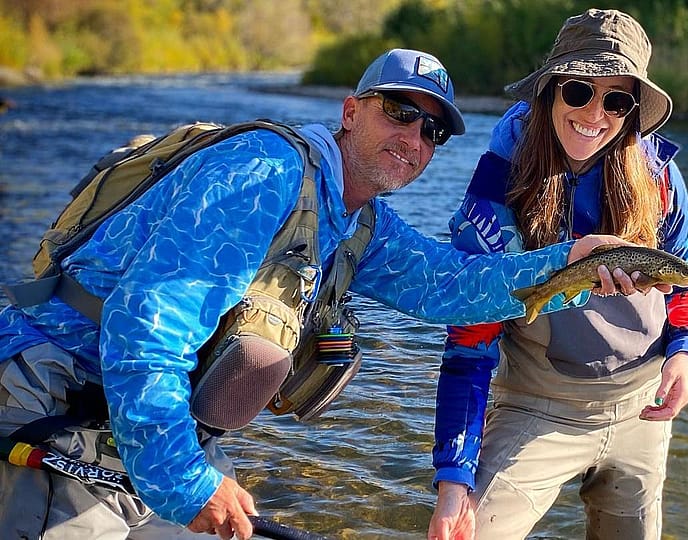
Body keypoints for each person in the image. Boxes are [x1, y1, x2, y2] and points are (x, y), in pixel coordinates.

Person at [0, 48, 642, 540]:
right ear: (350, 110)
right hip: (58, 400)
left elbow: (453, 286)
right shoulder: (263, 175)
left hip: (141, 422)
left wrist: (570, 265)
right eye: (399, 111)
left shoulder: (357, 215)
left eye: (433, 132)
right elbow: (144, 334)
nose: (414, 139)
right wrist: (189, 486)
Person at [429, 10, 688, 540]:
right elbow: (470, 332)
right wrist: (453, 479)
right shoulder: (500, 180)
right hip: (538, 404)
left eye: (617, 99)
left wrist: (684, 353)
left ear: (633, 111)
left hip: (642, 407)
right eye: (579, 90)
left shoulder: (662, 178)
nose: (594, 113)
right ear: (551, 91)